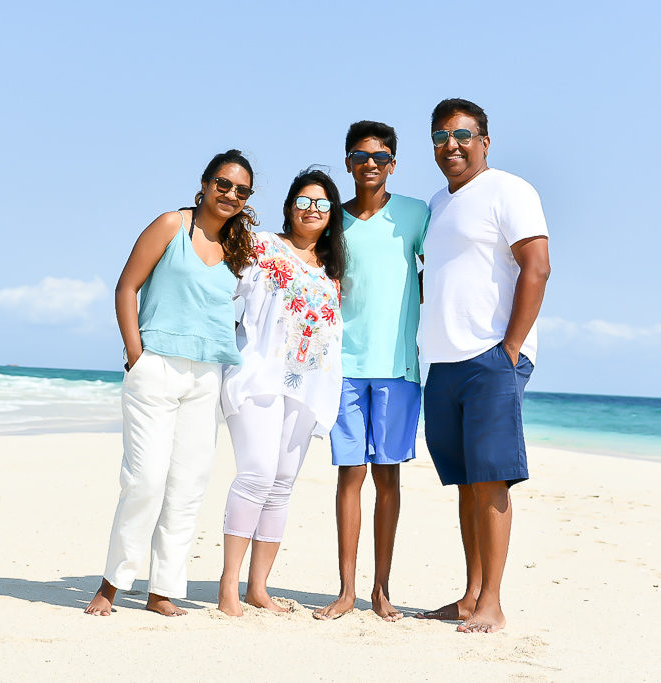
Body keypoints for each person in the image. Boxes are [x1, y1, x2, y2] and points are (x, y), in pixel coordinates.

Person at [85, 150, 258, 617]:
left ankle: (163, 589)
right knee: (144, 480)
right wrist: (135, 354)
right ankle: (111, 584)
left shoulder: (241, 247)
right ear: (204, 184)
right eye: (223, 184)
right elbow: (126, 287)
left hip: (207, 375)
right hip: (156, 367)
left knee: (188, 485)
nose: (231, 195)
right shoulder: (171, 225)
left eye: (242, 190)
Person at [415, 98, 551, 633]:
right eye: (442, 136)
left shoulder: (510, 190)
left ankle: (492, 601)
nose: (452, 144)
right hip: (443, 361)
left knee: (492, 480)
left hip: (491, 357)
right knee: (467, 483)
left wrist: (510, 349)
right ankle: (470, 595)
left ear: (485, 141)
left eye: (463, 134)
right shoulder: (437, 202)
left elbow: (536, 268)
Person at [313, 122, 429, 622]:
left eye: (380, 157)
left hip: (399, 368)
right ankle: (346, 590)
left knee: (388, 478)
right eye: (361, 156)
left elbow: (442, 270)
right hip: (343, 367)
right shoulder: (332, 221)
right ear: (347, 162)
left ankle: (382, 590)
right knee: (349, 476)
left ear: (393, 165)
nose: (371, 165)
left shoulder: (415, 214)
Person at [217, 169, 346, 617]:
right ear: (290, 205)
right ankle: (228, 586)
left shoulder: (331, 272)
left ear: (332, 216)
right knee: (255, 475)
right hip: (258, 377)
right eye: (305, 200)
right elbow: (219, 291)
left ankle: (258, 588)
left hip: (306, 387)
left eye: (323, 204)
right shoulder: (261, 246)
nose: (313, 210)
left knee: (282, 486)